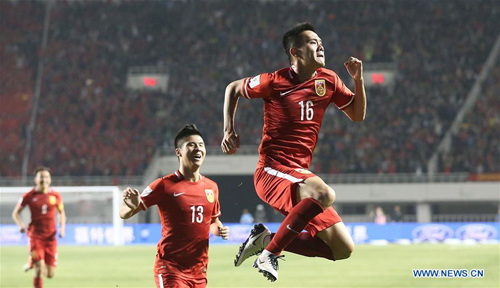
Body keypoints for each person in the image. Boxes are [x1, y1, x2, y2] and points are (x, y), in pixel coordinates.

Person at [221, 22, 366, 282]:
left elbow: (357, 115)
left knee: (343, 248)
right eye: (312, 42)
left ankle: (265, 239)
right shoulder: (274, 81)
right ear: (295, 52)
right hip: (271, 171)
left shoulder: (329, 79)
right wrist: (228, 130)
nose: (320, 45)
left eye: (320, 41)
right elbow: (232, 88)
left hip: (299, 173)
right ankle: (269, 253)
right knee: (324, 193)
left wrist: (358, 80)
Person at [120, 124, 230, 288]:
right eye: (191, 145)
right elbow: (123, 213)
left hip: (199, 272)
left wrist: (219, 229)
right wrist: (132, 205)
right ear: (179, 152)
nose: (197, 149)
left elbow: (213, 222)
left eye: (201, 145)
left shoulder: (211, 187)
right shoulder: (164, 185)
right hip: (171, 270)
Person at [12, 166, 66, 288]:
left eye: (47, 177)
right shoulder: (29, 195)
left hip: (51, 238)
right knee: (39, 267)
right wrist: (21, 225)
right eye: (41, 177)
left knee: (50, 274)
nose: (44, 179)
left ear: (50, 179)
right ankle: (34, 263)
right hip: (35, 237)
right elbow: (15, 213)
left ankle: (32, 261)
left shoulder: (56, 196)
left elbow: (62, 213)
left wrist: (62, 229)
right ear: (35, 179)